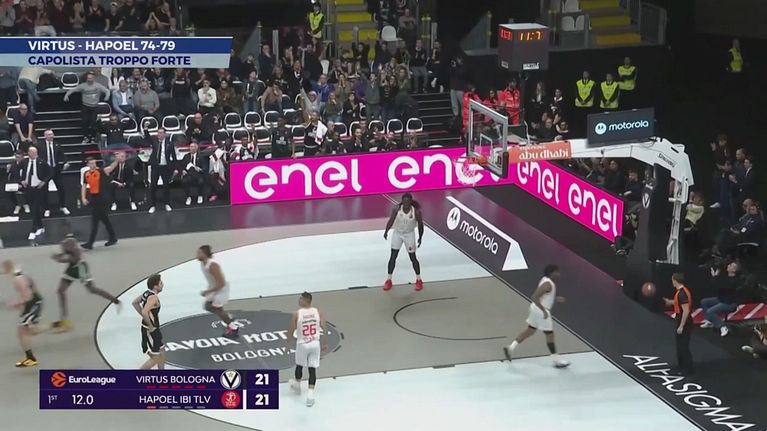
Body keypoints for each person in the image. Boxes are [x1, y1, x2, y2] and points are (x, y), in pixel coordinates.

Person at [503, 264, 570, 368]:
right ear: (551, 273)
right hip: (541, 310)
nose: (559, 274)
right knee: (550, 335)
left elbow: (545, 295)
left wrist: (555, 298)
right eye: (557, 272)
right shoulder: (548, 284)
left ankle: (510, 348)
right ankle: (556, 361)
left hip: (535, 309)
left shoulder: (545, 280)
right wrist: (543, 311)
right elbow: (534, 296)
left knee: (530, 330)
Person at [50, 236, 121, 332]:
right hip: (72, 268)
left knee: (92, 289)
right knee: (61, 291)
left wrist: (58, 258)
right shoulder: (69, 248)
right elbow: (65, 255)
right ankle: (64, 320)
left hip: (81, 269)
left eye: (65, 247)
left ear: (71, 246)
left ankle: (116, 301)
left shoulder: (76, 252)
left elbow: (69, 259)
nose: (62, 248)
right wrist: (59, 255)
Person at [288, 291, 328, 407]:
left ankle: (297, 384)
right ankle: (310, 396)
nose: (299, 300)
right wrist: (325, 343)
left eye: (301, 298)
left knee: (299, 365)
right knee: (312, 369)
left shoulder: (297, 314)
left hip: (303, 344)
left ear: (306, 300)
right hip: (315, 344)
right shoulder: (318, 312)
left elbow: (291, 330)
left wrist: (287, 343)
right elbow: (324, 328)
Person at [3, 260, 44, 367]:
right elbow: (32, 287)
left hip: (32, 305)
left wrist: (13, 304)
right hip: (33, 304)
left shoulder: (18, 279)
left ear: (7, 268)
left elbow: (27, 297)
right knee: (26, 331)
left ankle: (31, 359)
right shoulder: (20, 273)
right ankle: (55, 325)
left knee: (23, 332)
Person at [383, 193, 424, 291]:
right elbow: (391, 220)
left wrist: (420, 237)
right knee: (393, 256)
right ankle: (389, 280)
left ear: (410, 202)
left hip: (409, 234)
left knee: (413, 257)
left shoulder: (416, 212)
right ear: (402, 201)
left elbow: (420, 225)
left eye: (407, 201)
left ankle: (419, 280)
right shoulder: (397, 209)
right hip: (397, 233)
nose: (405, 203)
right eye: (404, 201)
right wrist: (386, 231)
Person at [197, 245, 238, 338]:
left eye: (199, 253)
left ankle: (233, 328)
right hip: (214, 287)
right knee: (208, 306)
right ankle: (227, 317)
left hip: (221, 289)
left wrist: (208, 291)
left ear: (205, 254)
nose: (197, 255)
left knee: (216, 308)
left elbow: (221, 283)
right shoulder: (203, 263)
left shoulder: (213, 265)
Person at [81, 156, 119, 249]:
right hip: (94, 198)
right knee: (104, 219)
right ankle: (113, 237)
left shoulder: (101, 171)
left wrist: (117, 160)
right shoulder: (86, 174)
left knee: (95, 221)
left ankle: (90, 243)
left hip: (102, 198)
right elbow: (84, 186)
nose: (93, 165)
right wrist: (83, 197)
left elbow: (111, 168)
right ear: (87, 164)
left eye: (94, 163)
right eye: (91, 163)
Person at [63, 72, 110, 144]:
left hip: (94, 107)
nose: (89, 80)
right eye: (88, 78)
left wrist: (107, 97)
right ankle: (86, 137)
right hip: (85, 107)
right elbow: (72, 90)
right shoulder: (83, 86)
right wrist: (66, 95)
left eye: (91, 78)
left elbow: (107, 91)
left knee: (93, 123)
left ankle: (93, 137)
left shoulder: (98, 85)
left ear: (94, 78)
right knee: (84, 122)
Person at [132, 273, 165, 369]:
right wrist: (150, 325)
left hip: (153, 328)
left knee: (162, 351)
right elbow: (144, 311)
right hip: (150, 330)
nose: (162, 284)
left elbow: (135, 303)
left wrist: (144, 316)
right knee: (155, 358)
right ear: (155, 286)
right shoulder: (153, 297)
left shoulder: (147, 293)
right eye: (160, 283)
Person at [19, 146, 52, 242]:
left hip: (38, 188)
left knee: (36, 208)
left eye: (36, 152)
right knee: (33, 208)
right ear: (29, 153)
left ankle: (33, 230)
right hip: (29, 188)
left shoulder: (42, 162)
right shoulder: (24, 162)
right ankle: (41, 226)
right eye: (33, 152)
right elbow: (17, 170)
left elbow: (50, 173)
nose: (35, 154)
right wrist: (22, 180)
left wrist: (44, 182)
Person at [663, 273, 694, 375]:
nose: (672, 282)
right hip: (681, 321)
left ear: (675, 281)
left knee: (683, 347)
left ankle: (688, 369)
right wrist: (670, 302)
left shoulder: (682, 293)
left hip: (684, 323)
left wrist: (681, 326)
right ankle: (681, 366)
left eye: (672, 280)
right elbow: (678, 302)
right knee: (680, 346)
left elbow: (686, 310)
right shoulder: (681, 292)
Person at [700, 262, 740, 337]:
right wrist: (714, 277)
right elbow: (716, 285)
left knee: (710, 311)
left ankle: (722, 327)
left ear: (734, 270)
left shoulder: (734, 280)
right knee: (704, 302)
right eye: (729, 264)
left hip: (729, 303)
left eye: (731, 266)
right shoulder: (725, 277)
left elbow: (723, 287)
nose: (728, 266)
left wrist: (715, 277)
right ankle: (709, 322)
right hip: (721, 299)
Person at [38, 129, 70, 217]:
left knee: (61, 188)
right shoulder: (40, 145)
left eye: (52, 134)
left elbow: (62, 155)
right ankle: (46, 208)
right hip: (45, 170)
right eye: (48, 134)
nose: (51, 136)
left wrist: (66, 162)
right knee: (44, 190)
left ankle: (63, 206)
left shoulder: (57, 144)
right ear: (45, 136)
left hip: (56, 169)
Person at [147, 128, 178, 213]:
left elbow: (174, 156)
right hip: (155, 167)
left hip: (165, 167)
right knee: (153, 186)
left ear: (164, 134)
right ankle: (153, 205)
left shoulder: (170, 144)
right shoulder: (154, 142)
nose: (159, 134)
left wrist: (175, 168)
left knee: (166, 186)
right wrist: (146, 128)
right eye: (158, 133)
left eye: (161, 133)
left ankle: (167, 203)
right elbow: (147, 137)